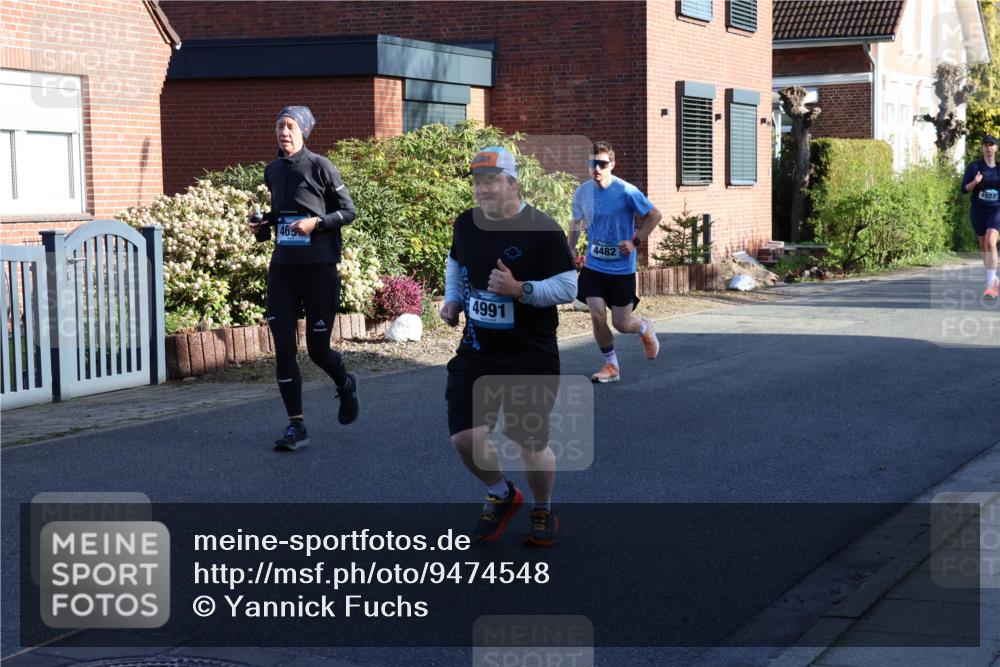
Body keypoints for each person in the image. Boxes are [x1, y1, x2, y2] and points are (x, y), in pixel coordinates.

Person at [439, 147, 576, 547]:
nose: (481, 189)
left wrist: (522, 289)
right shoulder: (466, 224)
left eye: (491, 181)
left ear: (513, 182)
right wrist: (453, 300)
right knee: (464, 438)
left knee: (529, 444)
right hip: (477, 351)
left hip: (529, 355)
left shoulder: (542, 229)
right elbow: (455, 262)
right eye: (477, 181)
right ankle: (502, 494)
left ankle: (542, 507)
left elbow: (569, 286)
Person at [248, 105, 360, 451]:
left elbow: (349, 211)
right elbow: (281, 216)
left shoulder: (320, 166)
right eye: (279, 126)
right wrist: (261, 225)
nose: (283, 132)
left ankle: (345, 384)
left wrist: (317, 223)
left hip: (319, 270)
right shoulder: (273, 171)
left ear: (304, 132)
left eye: (290, 126)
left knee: (317, 350)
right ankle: (296, 426)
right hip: (283, 269)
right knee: (283, 347)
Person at [567, 142, 663, 383]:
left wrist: (635, 241)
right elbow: (575, 225)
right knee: (597, 315)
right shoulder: (582, 193)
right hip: (594, 266)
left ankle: (643, 328)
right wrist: (568, 251)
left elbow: (654, 215)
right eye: (593, 163)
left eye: (602, 164)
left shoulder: (626, 191)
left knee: (621, 323)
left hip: (622, 269)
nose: (597, 168)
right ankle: (611, 366)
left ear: (612, 165)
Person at [962, 134, 1000, 299]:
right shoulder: (974, 167)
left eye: (991, 145)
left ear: (996, 148)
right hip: (978, 211)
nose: (988, 148)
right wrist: (975, 182)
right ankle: (993, 278)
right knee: (984, 247)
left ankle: (991, 285)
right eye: (985, 145)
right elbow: (964, 189)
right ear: (982, 148)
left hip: (996, 210)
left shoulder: (999, 168)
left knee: (991, 243)